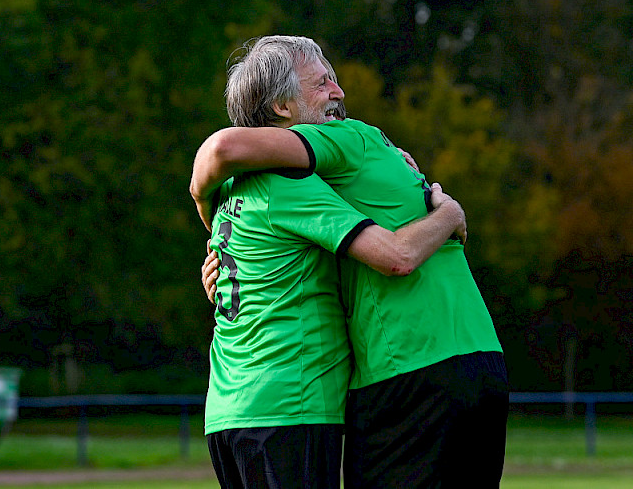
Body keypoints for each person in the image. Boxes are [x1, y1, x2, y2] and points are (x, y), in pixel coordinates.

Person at [190, 35, 509, 488]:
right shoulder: (344, 146)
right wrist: (451, 212)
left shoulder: (239, 195)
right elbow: (396, 256)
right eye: (323, 83)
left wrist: (212, 225)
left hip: (238, 407)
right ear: (281, 107)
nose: (339, 93)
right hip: (442, 364)